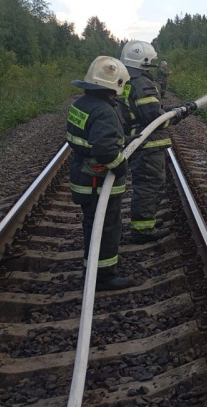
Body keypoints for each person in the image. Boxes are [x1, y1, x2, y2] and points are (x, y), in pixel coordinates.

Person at [67, 56, 135, 291]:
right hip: (96, 181)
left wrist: (126, 140)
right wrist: (121, 165)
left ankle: (96, 265)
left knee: (93, 224)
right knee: (105, 227)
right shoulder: (104, 110)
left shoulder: (81, 103)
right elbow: (105, 150)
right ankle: (103, 276)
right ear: (115, 84)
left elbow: (92, 137)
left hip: (83, 174)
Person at [120, 40, 174, 243]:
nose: (153, 64)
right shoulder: (142, 83)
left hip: (140, 142)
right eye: (151, 61)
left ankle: (146, 220)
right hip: (147, 144)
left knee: (147, 184)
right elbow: (153, 117)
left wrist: (172, 110)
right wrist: (175, 116)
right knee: (150, 185)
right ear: (143, 61)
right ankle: (143, 230)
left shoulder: (129, 79)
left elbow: (145, 110)